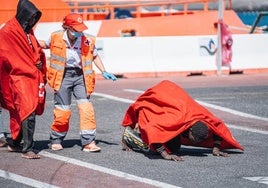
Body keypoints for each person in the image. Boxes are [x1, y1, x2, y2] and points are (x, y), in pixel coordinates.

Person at [39, 13, 117, 152]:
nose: (79, 32)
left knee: (86, 108)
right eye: (76, 29)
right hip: (62, 77)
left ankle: (89, 142)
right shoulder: (55, 36)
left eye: (81, 29)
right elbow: (44, 45)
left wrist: (104, 71)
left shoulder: (87, 39)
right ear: (67, 27)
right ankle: (56, 139)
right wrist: (28, 38)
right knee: (63, 110)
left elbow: (94, 55)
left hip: (81, 77)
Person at [121, 80, 244, 161]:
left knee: (174, 147)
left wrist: (216, 147)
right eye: (194, 139)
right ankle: (129, 135)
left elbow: (217, 128)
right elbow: (152, 129)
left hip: (177, 107)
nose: (196, 142)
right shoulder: (175, 120)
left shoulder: (202, 120)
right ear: (190, 129)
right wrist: (165, 155)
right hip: (157, 105)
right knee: (152, 148)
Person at [0, 0, 46, 159]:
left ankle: (14, 143)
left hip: (31, 76)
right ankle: (28, 149)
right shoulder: (8, 31)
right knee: (28, 110)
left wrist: (38, 60)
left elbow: (35, 50)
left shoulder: (28, 31)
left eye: (35, 18)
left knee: (23, 111)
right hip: (18, 77)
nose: (33, 21)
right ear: (23, 15)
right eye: (31, 17)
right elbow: (4, 54)